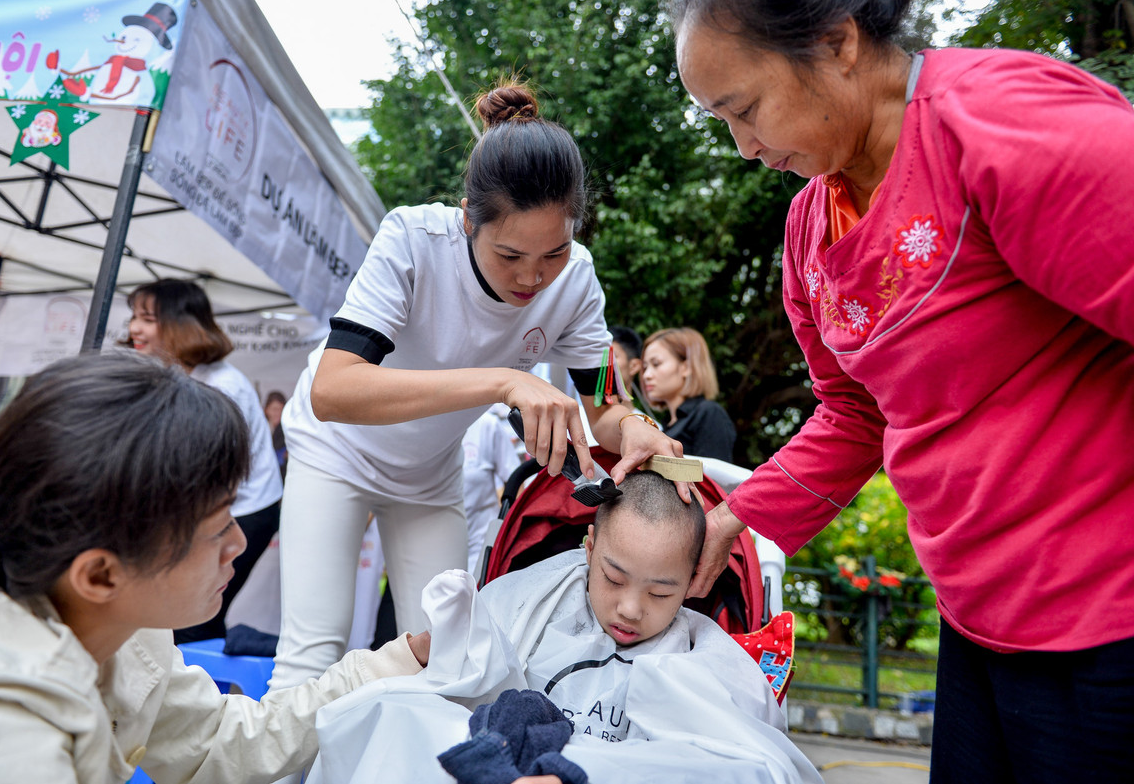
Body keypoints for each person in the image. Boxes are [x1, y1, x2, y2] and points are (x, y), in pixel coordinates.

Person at [668, 0, 1134, 780]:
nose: (743, 147)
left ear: (838, 42)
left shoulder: (998, 124)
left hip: (1102, 618)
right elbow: (856, 411)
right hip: (976, 615)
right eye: (722, 121)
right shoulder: (811, 226)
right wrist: (738, 517)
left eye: (744, 108)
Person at [272, 80, 683, 698]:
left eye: (555, 252)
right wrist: (504, 380)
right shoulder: (413, 240)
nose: (533, 277)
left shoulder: (576, 282)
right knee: (314, 655)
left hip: (428, 478)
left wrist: (638, 432)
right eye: (510, 253)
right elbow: (334, 391)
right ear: (468, 220)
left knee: (445, 663)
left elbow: (603, 407)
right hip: (335, 455)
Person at [0, 353, 429, 783]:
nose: (238, 543)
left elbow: (217, 743)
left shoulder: (124, 630)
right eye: (215, 530)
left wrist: (398, 661)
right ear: (101, 574)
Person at [307, 471, 820, 784]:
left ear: (694, 579)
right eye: (613, 579)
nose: (630, 609)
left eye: (661, 593)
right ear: (589, 549)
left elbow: (750, 760)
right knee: (382, 712)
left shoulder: (702, 654)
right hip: (505, 760)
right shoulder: (535, 598)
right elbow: (462, 686)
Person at [126, 278, 284, 643]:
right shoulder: (177, 373)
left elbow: (202, 476)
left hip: (244, 508)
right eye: (134, 316)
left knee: (193, 611)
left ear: (182, 323)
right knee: (190, 612)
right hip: (214, 503)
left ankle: (197, 690)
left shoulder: (219, 386)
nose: (134, 328)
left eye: (147, 318)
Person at [641, 327, 737, 462]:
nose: (646, 375)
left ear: (686, 367)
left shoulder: (709, 413)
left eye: (656, 364)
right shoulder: (665, 425)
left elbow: (714, 478)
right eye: (645, 367)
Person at [462, 403, 522, 577]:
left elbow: (515, 480)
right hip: (438, 542)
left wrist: (510, 535)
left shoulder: (486, 425)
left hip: (481, 543)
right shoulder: (429, 427)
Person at [264, 390, 289, 475]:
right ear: (266, 410)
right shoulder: (262, 429)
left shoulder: (286, 431)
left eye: (281, 410)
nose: (278, 414)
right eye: (274, 409)